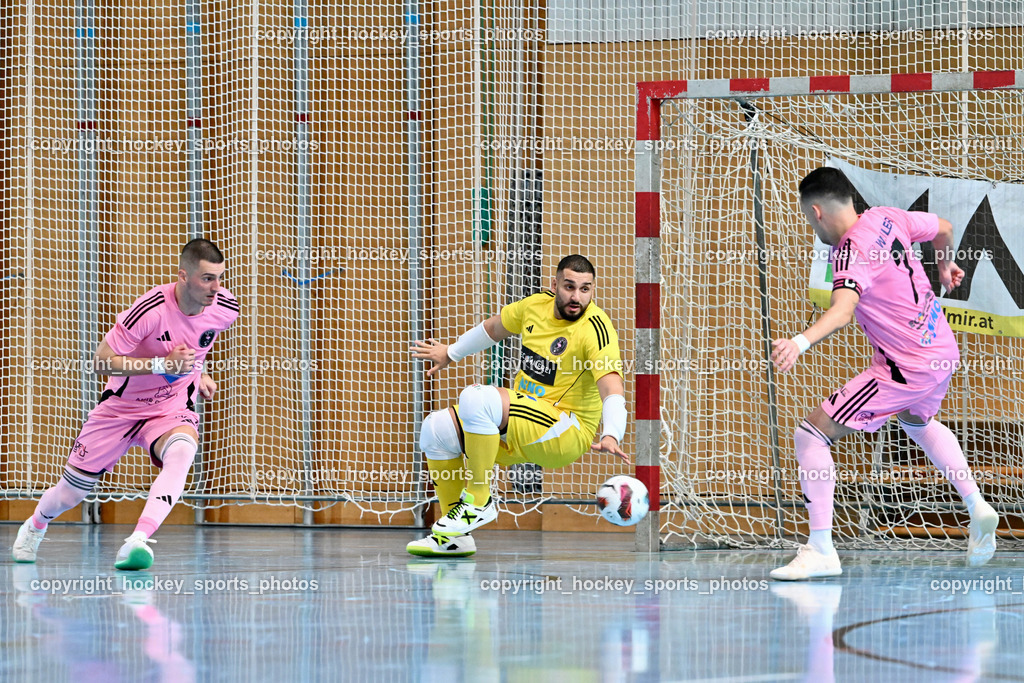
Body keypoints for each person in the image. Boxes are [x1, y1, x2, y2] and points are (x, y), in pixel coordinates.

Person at [769, 167, 999, 580]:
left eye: (808, 218)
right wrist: (945, 267)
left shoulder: (850, 251)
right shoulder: (887, 216)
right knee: (917, 420)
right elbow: (944, 227)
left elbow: (841, 311)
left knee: (811, 433)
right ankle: (977, 505)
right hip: (941, 350)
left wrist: (799, 342)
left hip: (904, 365)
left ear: (817, 212)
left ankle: (821, 548)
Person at [11, 238, 239, 570]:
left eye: (220, 277)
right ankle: (36, 525)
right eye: (207, 278)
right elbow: (102, 362)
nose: (216, 287)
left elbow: (199, 346)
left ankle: (138, 540)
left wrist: (196, 373)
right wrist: (162, 365)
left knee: (182, 452)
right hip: (119, 410)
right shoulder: (149, 310)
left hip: (169, 409)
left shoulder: (225, 308)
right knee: (70, 494)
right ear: (183, 276)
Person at [407, 254, 628, 556]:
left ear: (593, 290)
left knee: (476, 398)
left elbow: (611, 385)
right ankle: (454, 538)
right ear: (554, 285)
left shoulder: (595, 328)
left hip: (565, 430)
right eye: (569, 287)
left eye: (585, 289)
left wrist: (612, 432)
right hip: (522, 426)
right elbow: (493, 328)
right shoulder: (533, 307)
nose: (577, 297)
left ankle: (479, 498)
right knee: (436, 429)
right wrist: (452, 352)